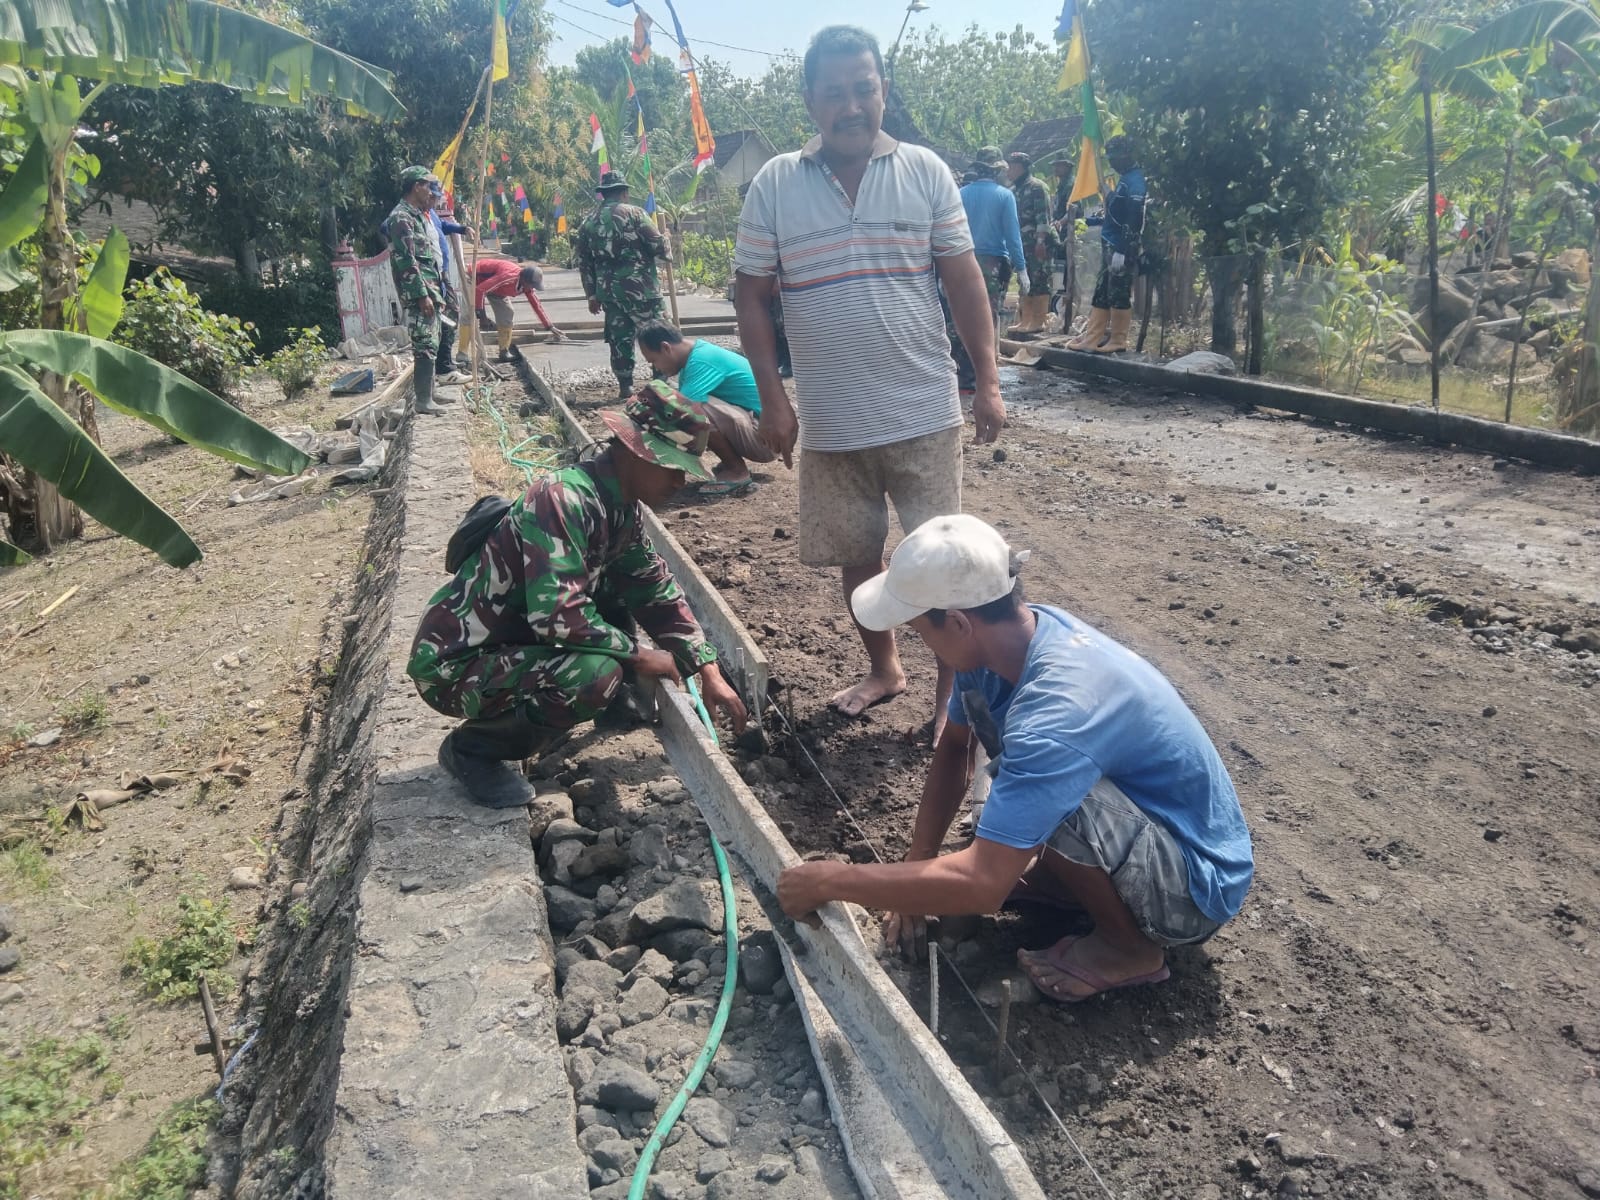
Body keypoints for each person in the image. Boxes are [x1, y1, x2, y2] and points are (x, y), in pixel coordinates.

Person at [776, 514, 1254, 1002]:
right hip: (1146, 831)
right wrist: (918, 862)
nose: (920, 640)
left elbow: (983, 884)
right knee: (1024, 779)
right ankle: (1066, 882)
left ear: (958, 623)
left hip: (1194, 889)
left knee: (1039, 780)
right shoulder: (1002, 643)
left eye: (918, 627)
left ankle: (1129, 948)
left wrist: (832, 880)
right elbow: (957, 748)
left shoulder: (1057, 713)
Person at [734, 24, 1005, 737]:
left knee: (943, 565)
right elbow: (751, 296)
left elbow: (964, 280)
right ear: (810, 101)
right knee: (857, 557)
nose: (851, 106)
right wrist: (772, 400)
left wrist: (989, 381)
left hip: (922, 411)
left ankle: (952, 699)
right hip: (830, 422)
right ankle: (885, 668)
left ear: (882, 90)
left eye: (865, 89)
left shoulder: (925, 171)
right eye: (835, 93)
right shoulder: (775, 184)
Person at [408, 381, 749, 808]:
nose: (680, 481)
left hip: (512, 644)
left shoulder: (618, 506)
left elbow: (652, 587)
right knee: (592, 676)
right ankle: (474, 750)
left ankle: (616, 702)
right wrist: (644, 657)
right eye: (672, 466)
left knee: (617, 587)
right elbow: (558, 617)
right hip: (455, 665)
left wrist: (707, 668)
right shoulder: (563, 500)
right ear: (635, 450)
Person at [636, 319, 774, 493]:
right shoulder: (695, 355)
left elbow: (680, 412)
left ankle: (737, 471)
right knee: (686, 406)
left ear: (666, 348)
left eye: (654, 361)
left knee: (691, 410)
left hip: (768, 441)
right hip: (760, 429)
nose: (655, 367)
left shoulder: (701, 362)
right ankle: (730, 463)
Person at [575, 171, 667, 398]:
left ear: (603, 194)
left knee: (619, 339)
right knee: (657, 334)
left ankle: (625, 386)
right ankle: (660, 384)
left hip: (609, 294)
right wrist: (666, 239)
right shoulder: (636, 214)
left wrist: (591, 295)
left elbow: (584, 263)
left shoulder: (588, 222)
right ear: (624, 192)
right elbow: (658, 247)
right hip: (642, 291)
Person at [949, 148, 1026, 396]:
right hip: (993, 264)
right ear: (996, 170)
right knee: (987, 317)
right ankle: (986, 377)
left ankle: (963, 377)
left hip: (961, 261)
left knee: (959, 314)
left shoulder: (959, 194)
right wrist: (1022, 268)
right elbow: (1013, 237)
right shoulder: (1005, 196)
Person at [1067, 135, 1146, 355]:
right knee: (1102, 292)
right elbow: (1114, 213)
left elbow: (1134, 217)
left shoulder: (1135, 181)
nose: (1111, 162)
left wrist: (1123, 248)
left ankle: (1118, 339)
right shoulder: (1123, 179)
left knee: (1118, 293)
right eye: (1109, 157)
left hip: (1121, 246)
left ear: (1127, 155)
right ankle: (1092, 337)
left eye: (1115, 157)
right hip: (1109, 242)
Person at [385, 166, 448, 415]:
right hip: (419, 291)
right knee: (424, 342)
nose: (431, 190)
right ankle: (423, 400)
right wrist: (421, 294)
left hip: (431, 287)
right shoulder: (401, 217)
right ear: (416, 186)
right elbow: (405, 260)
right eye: (427, 185)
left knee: (434, 339)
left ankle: (430, 392)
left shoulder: (418, 215)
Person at [426, 182, 475, 383]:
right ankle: (444, 369)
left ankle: (445, 366)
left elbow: (443, 226)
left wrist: (462, 228)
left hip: (441, 273)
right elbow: (388, 228)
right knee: (445, 317)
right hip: (430, 276)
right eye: (434, 197)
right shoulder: (410, 216)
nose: (437, 200)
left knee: (451, 315)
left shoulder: (431, 214)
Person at [1005, 151, 1057, 336]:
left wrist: (1041, 241)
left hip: (1036, 243)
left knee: (1040, 280)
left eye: (1011, 166)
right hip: (1020, 245)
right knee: (1024, 281)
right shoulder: (1012, 191)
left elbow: (1043, 217)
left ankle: (1038, 321)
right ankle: (1025, 320)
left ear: (1021, 167)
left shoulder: (1037, 187)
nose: (1008, 171)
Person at [474, 257, 565, 361]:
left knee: (507, 313)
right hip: (475, 278)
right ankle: (462, 354)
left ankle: (504, 351)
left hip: (497, 288)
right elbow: (480, 290)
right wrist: (482, 316)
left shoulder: (526, 286)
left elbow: (536, 305)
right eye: (532, 285)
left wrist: (549, 326)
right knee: (468, 317)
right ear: (524, 280)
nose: (533, 288)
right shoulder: (507, 277)